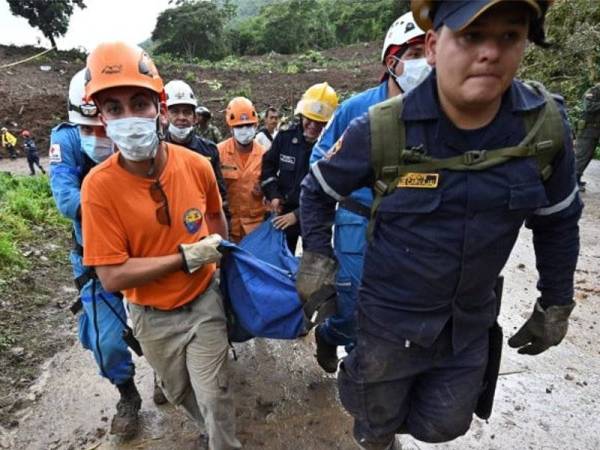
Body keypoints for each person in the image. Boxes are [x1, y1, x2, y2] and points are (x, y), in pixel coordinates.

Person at [298, 1, 582, 448]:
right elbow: (317, 189)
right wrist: (317, 259)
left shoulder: (542, 129)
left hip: (467, 321)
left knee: (445, 425)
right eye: (472, 36)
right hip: (389, 320)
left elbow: (559, 220)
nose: (490, 52)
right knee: (375, 424)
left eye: (509, 36)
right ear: (435, 45)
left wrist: (556, 302)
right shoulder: (381, 128)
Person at [80, 42, 240, 450]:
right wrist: (185, 258)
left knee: (214, 394)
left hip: (203, 303)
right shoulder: (99, 187)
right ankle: (206, 431)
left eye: (139, 103)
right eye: (114, 109)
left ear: (161, 109)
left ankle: (222, 443)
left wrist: (217, 262)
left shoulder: (197, 166)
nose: (128, 118)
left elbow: (217, 218)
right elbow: (112, 275)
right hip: (151, 317)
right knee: (178, 392)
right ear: (101, 117)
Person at [308, 11, 428, 373]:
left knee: (399, 309)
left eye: (433, 51)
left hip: (411, 227)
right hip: (357, 223)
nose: (429, 63)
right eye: (417, 53)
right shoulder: (356, 110)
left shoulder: (442, 115)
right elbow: (319, 166)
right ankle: (330, 335)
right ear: (393, 62)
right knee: (356, 307)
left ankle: (368, 387)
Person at [49, 68, 145, 440]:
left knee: (164, 323)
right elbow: (66, 199)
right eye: (89, 128)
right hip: (94, 259)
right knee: (105, 342)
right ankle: (127, 393)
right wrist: (118, 206)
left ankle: (167, 376)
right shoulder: (67, 140)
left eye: (103, 126)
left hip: (139, 252)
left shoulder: (133, 133)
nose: (99, 138)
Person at [261, 83, 338, 253]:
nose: (313, 126)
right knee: (279, 261)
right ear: (302, 115)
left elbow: (328, 193)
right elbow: (268, 167)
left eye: (320, 122)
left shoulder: (334, 147)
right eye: (309, 120)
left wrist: (297, 215)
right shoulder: (285, 136)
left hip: (315, 217)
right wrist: (273, 195)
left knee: (314, 262)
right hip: (284, 212)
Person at [164, 80, 231, 225]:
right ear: (165, 115)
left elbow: (220, 193)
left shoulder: (208, 149)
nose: (181, 117)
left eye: (186, 112)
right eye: (175, 111)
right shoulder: (156, 150)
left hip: (201, 223)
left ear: (195, 118)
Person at [218, 97, 267, 243]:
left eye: (249, 125)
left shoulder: (266, 155)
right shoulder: (218, 152)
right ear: (231, 127)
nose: (244, 130)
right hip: (227, 226)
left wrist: (264, 190)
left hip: (256, 228)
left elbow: (274, 192)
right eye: (239, 126)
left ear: (256, 125)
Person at [574, 83, 600, 191]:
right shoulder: (593, 91)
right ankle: (573, 182)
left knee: (588, 156)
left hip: (596, 129)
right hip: (588, 129)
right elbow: (588, 106)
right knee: (582, 156)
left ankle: (577, 178)